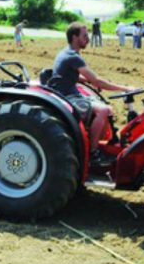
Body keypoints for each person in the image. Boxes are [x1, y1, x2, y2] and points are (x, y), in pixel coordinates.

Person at [49, 22, 135, 166]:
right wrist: (125, 88)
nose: (88, 39)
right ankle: (93, 152)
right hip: (67, 97)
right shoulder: (73, 57)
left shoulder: (66, 52)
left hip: (68, 93)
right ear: (75, 37)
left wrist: (87, 81)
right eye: (85, 36)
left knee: (104, 107)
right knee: (104, 110)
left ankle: (101, 143)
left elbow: (69, 76)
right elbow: (97, 81)